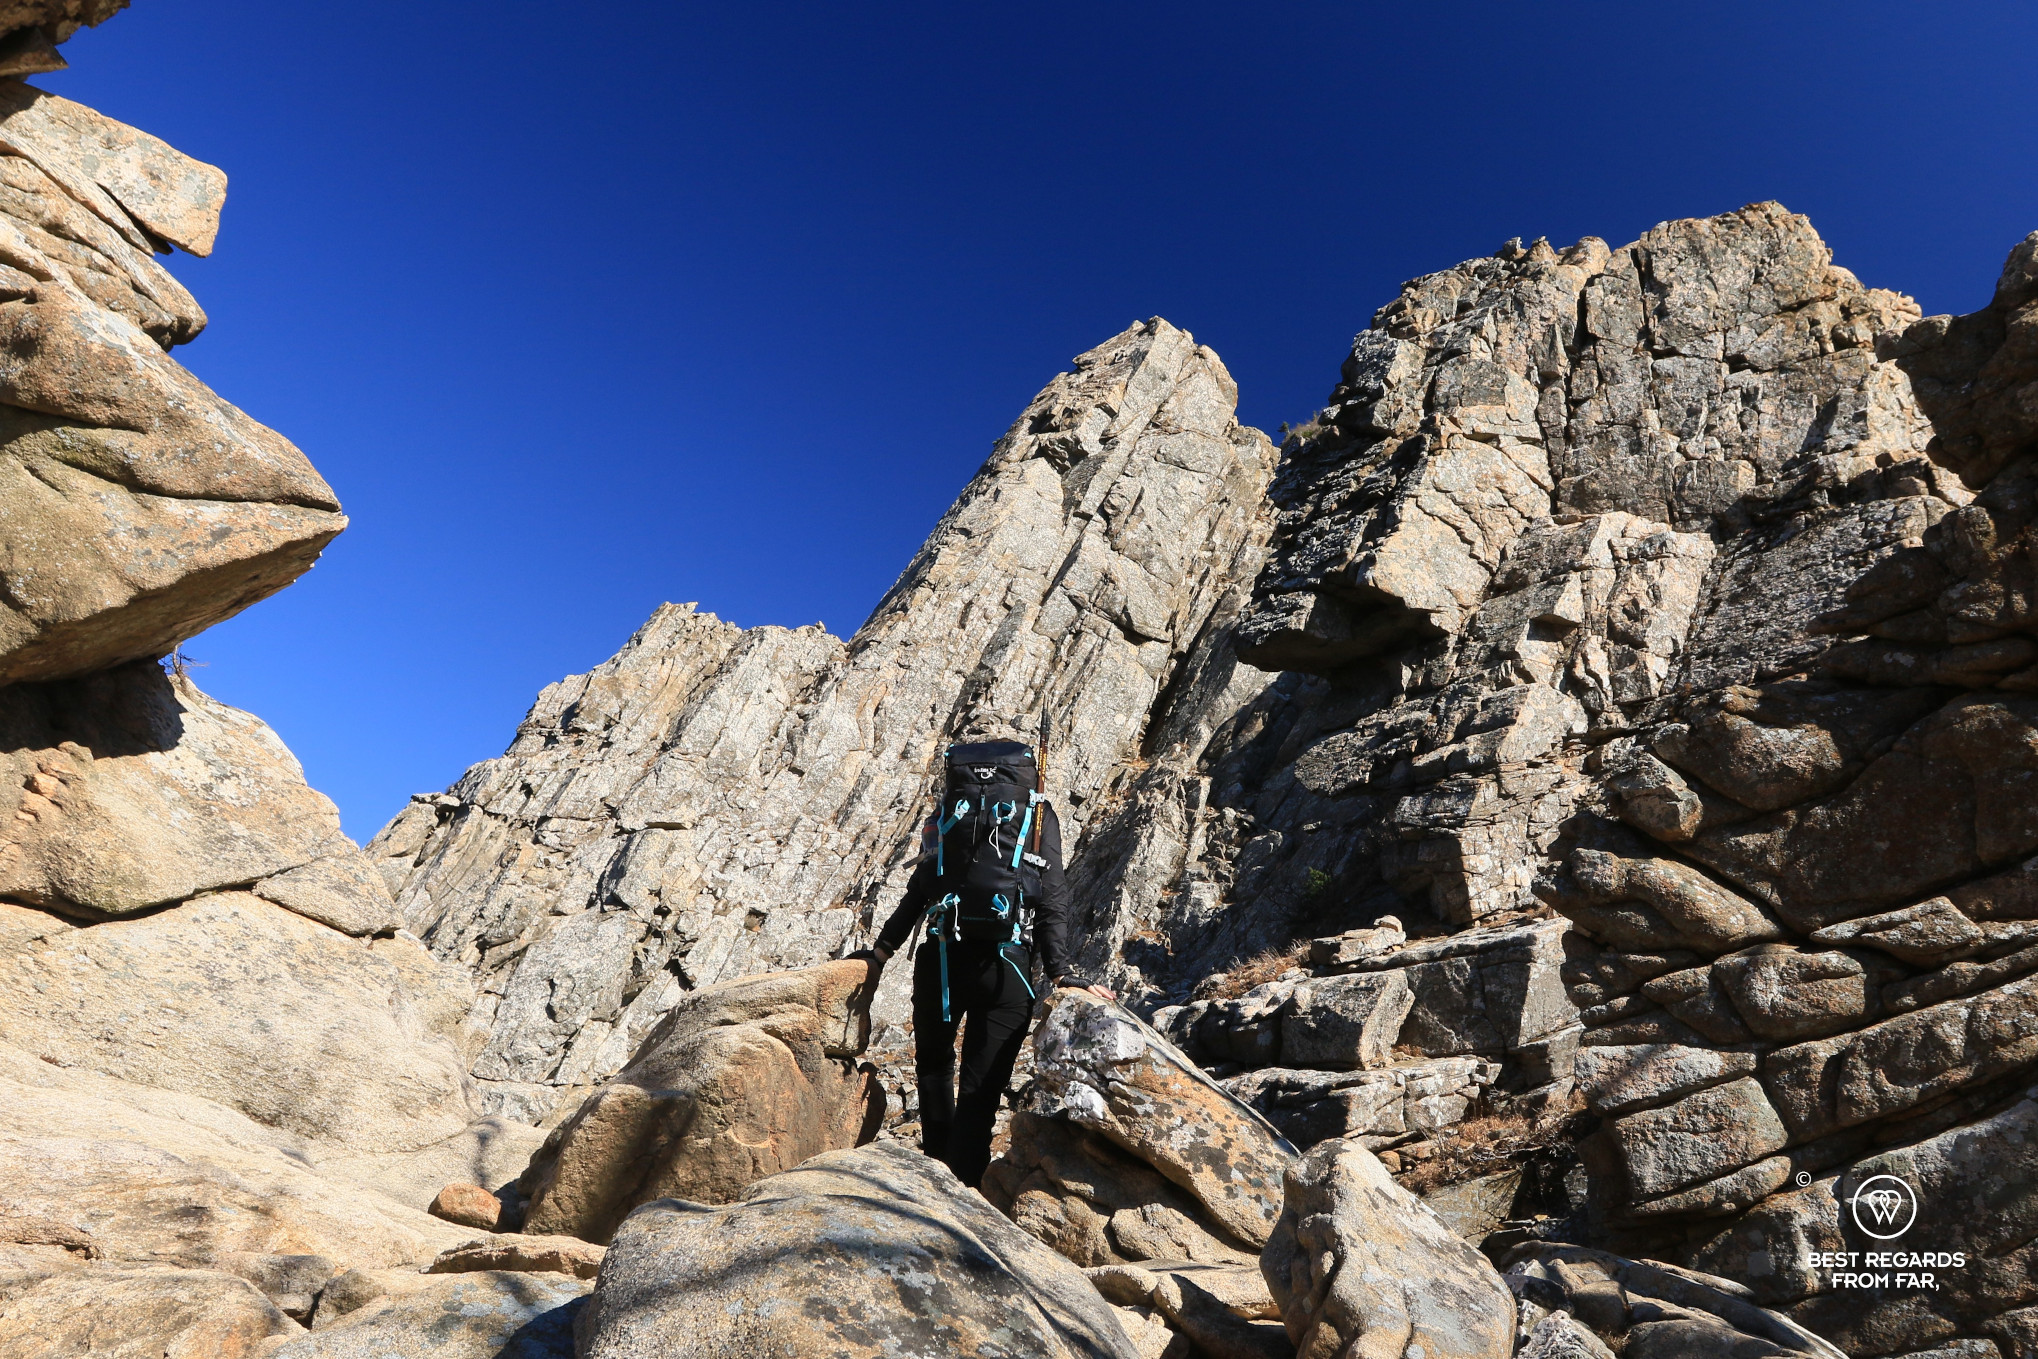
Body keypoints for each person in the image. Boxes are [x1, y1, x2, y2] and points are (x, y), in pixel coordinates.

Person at [856, 726, 1113, 1188]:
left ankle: (932, 1180)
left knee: (934, 1069)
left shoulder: (945, 813)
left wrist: (881, 952)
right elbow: (1053, 894)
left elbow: (920, 889)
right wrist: (1062, 972)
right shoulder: (1036, 815)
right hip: (1007, 966)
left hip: (940, 959)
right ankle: (964, 1195)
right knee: (981, 1092)